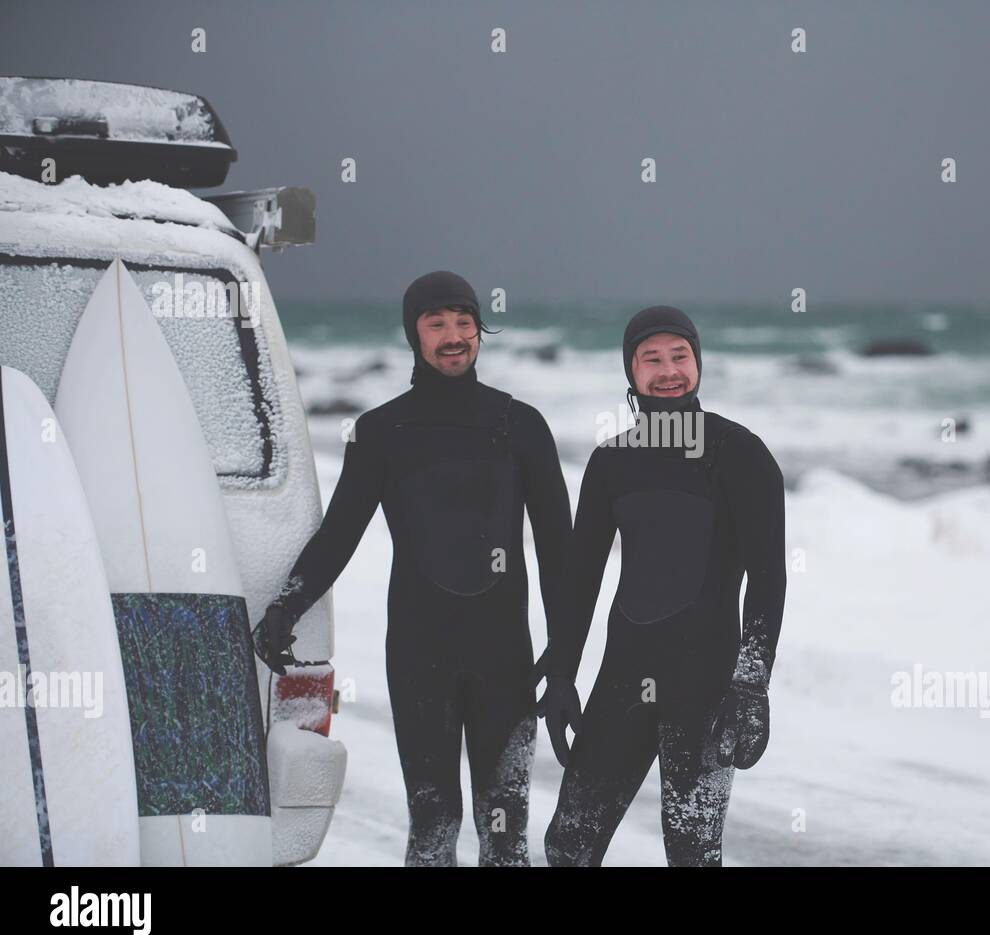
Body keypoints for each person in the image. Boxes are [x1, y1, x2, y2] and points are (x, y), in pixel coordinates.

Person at [251, 271, 571, 866]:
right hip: (420, 657)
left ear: (479, 331)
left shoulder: (520, 425)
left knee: (505, 829)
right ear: (413, 334)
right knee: (432, 823)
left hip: (505, 658)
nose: (453, 336)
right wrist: (285, 606)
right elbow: (340, 534)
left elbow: (559, 549)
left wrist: (566, 657)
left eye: (464, 322)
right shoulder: (382, 432)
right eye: (436, 323)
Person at [540, 306, 786, 866]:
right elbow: (582, 577)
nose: (669, 370)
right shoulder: (611, 462)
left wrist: (751, 685)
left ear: (698, 362)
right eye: (651, 359)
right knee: (568, 846)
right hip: (623, 680)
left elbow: (768, 578)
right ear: (631, 371)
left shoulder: (740, 453)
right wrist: (562, 671)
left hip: (708, 689)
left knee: (692, 854)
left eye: (680, 355)